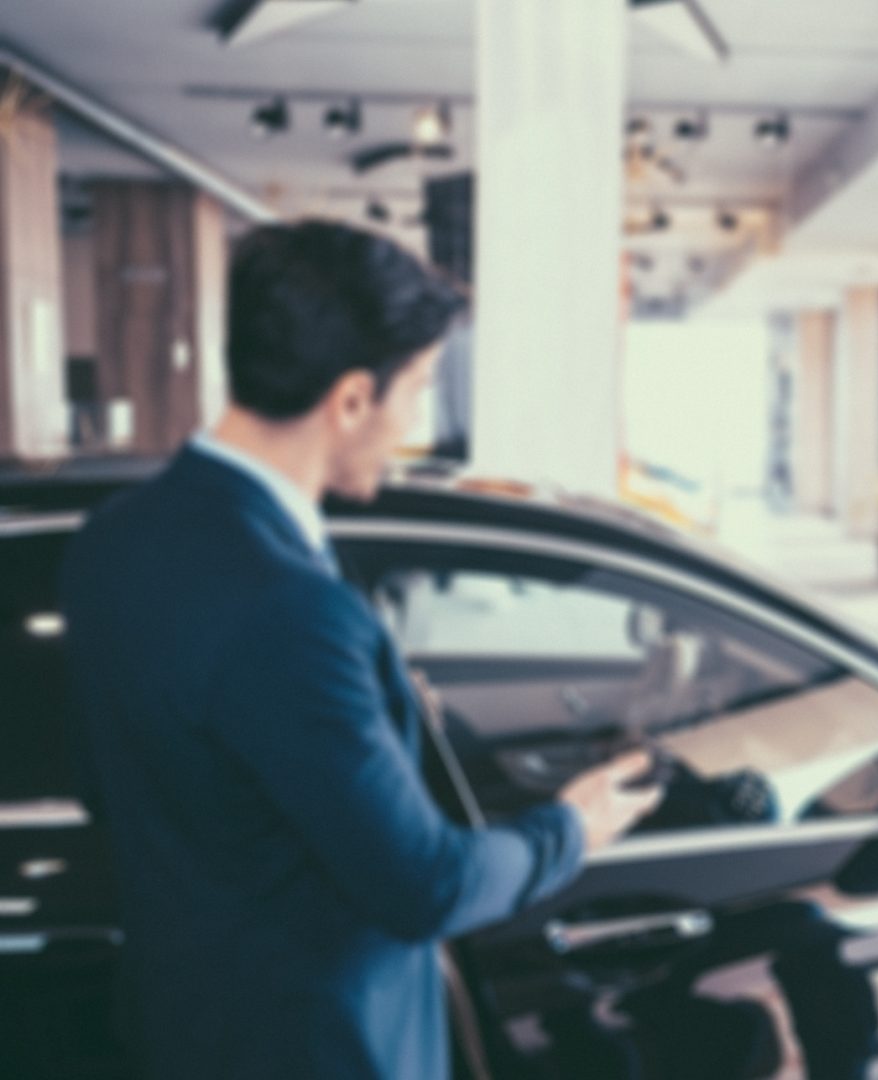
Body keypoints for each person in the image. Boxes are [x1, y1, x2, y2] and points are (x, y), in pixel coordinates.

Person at [60, 220, 663, 1080]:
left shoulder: (111, 540)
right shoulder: (292, 610)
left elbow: (107, 782)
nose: (413, 425)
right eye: (413, 392)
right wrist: (571, 829)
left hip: (178, 1026)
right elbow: (428, 885)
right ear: (349, 400)